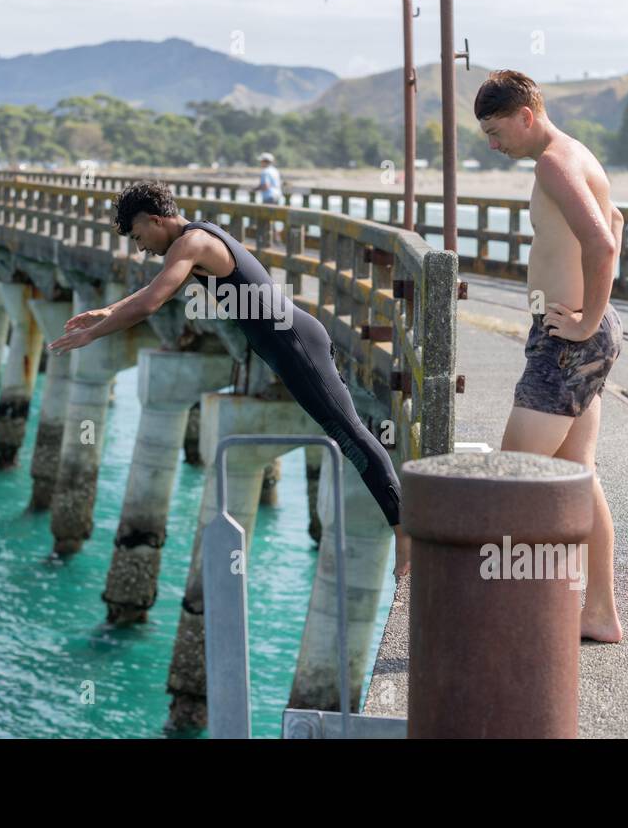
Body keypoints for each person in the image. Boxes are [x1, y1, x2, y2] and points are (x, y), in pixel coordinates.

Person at [46, 181, 410, 577]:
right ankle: (403, 524)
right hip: (291, 347)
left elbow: (151, 303)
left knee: (350, 434)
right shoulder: (193, 237)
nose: (141, 248)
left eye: (139, 237)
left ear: (155, 219)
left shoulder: (192, 243)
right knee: (346, 433)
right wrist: (106, 311)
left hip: (296, 346)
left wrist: (92, 335)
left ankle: (404, 529)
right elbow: (156, 290)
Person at [477, 69, 626, 643]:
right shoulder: (577, 154)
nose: (494, 145)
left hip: (569, 340)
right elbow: (616, 220)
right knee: (576, 475)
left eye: (496, 132)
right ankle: (599, 613)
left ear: (526, 116)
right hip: (573, 335)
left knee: (510, 477)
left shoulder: (552, 162)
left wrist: (586, 319)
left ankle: (507, 616)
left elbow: (603, 240)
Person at [254, 152, 284, 246]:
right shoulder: (275, 170)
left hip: (269, 197)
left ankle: (267, 241)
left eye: (261, 161)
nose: (260, 163)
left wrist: (255, 189)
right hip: (277, 196)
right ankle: (276, 239)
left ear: (264, 161)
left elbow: (266, 186)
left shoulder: (265, 171)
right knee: (273, 218)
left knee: (266, 219)